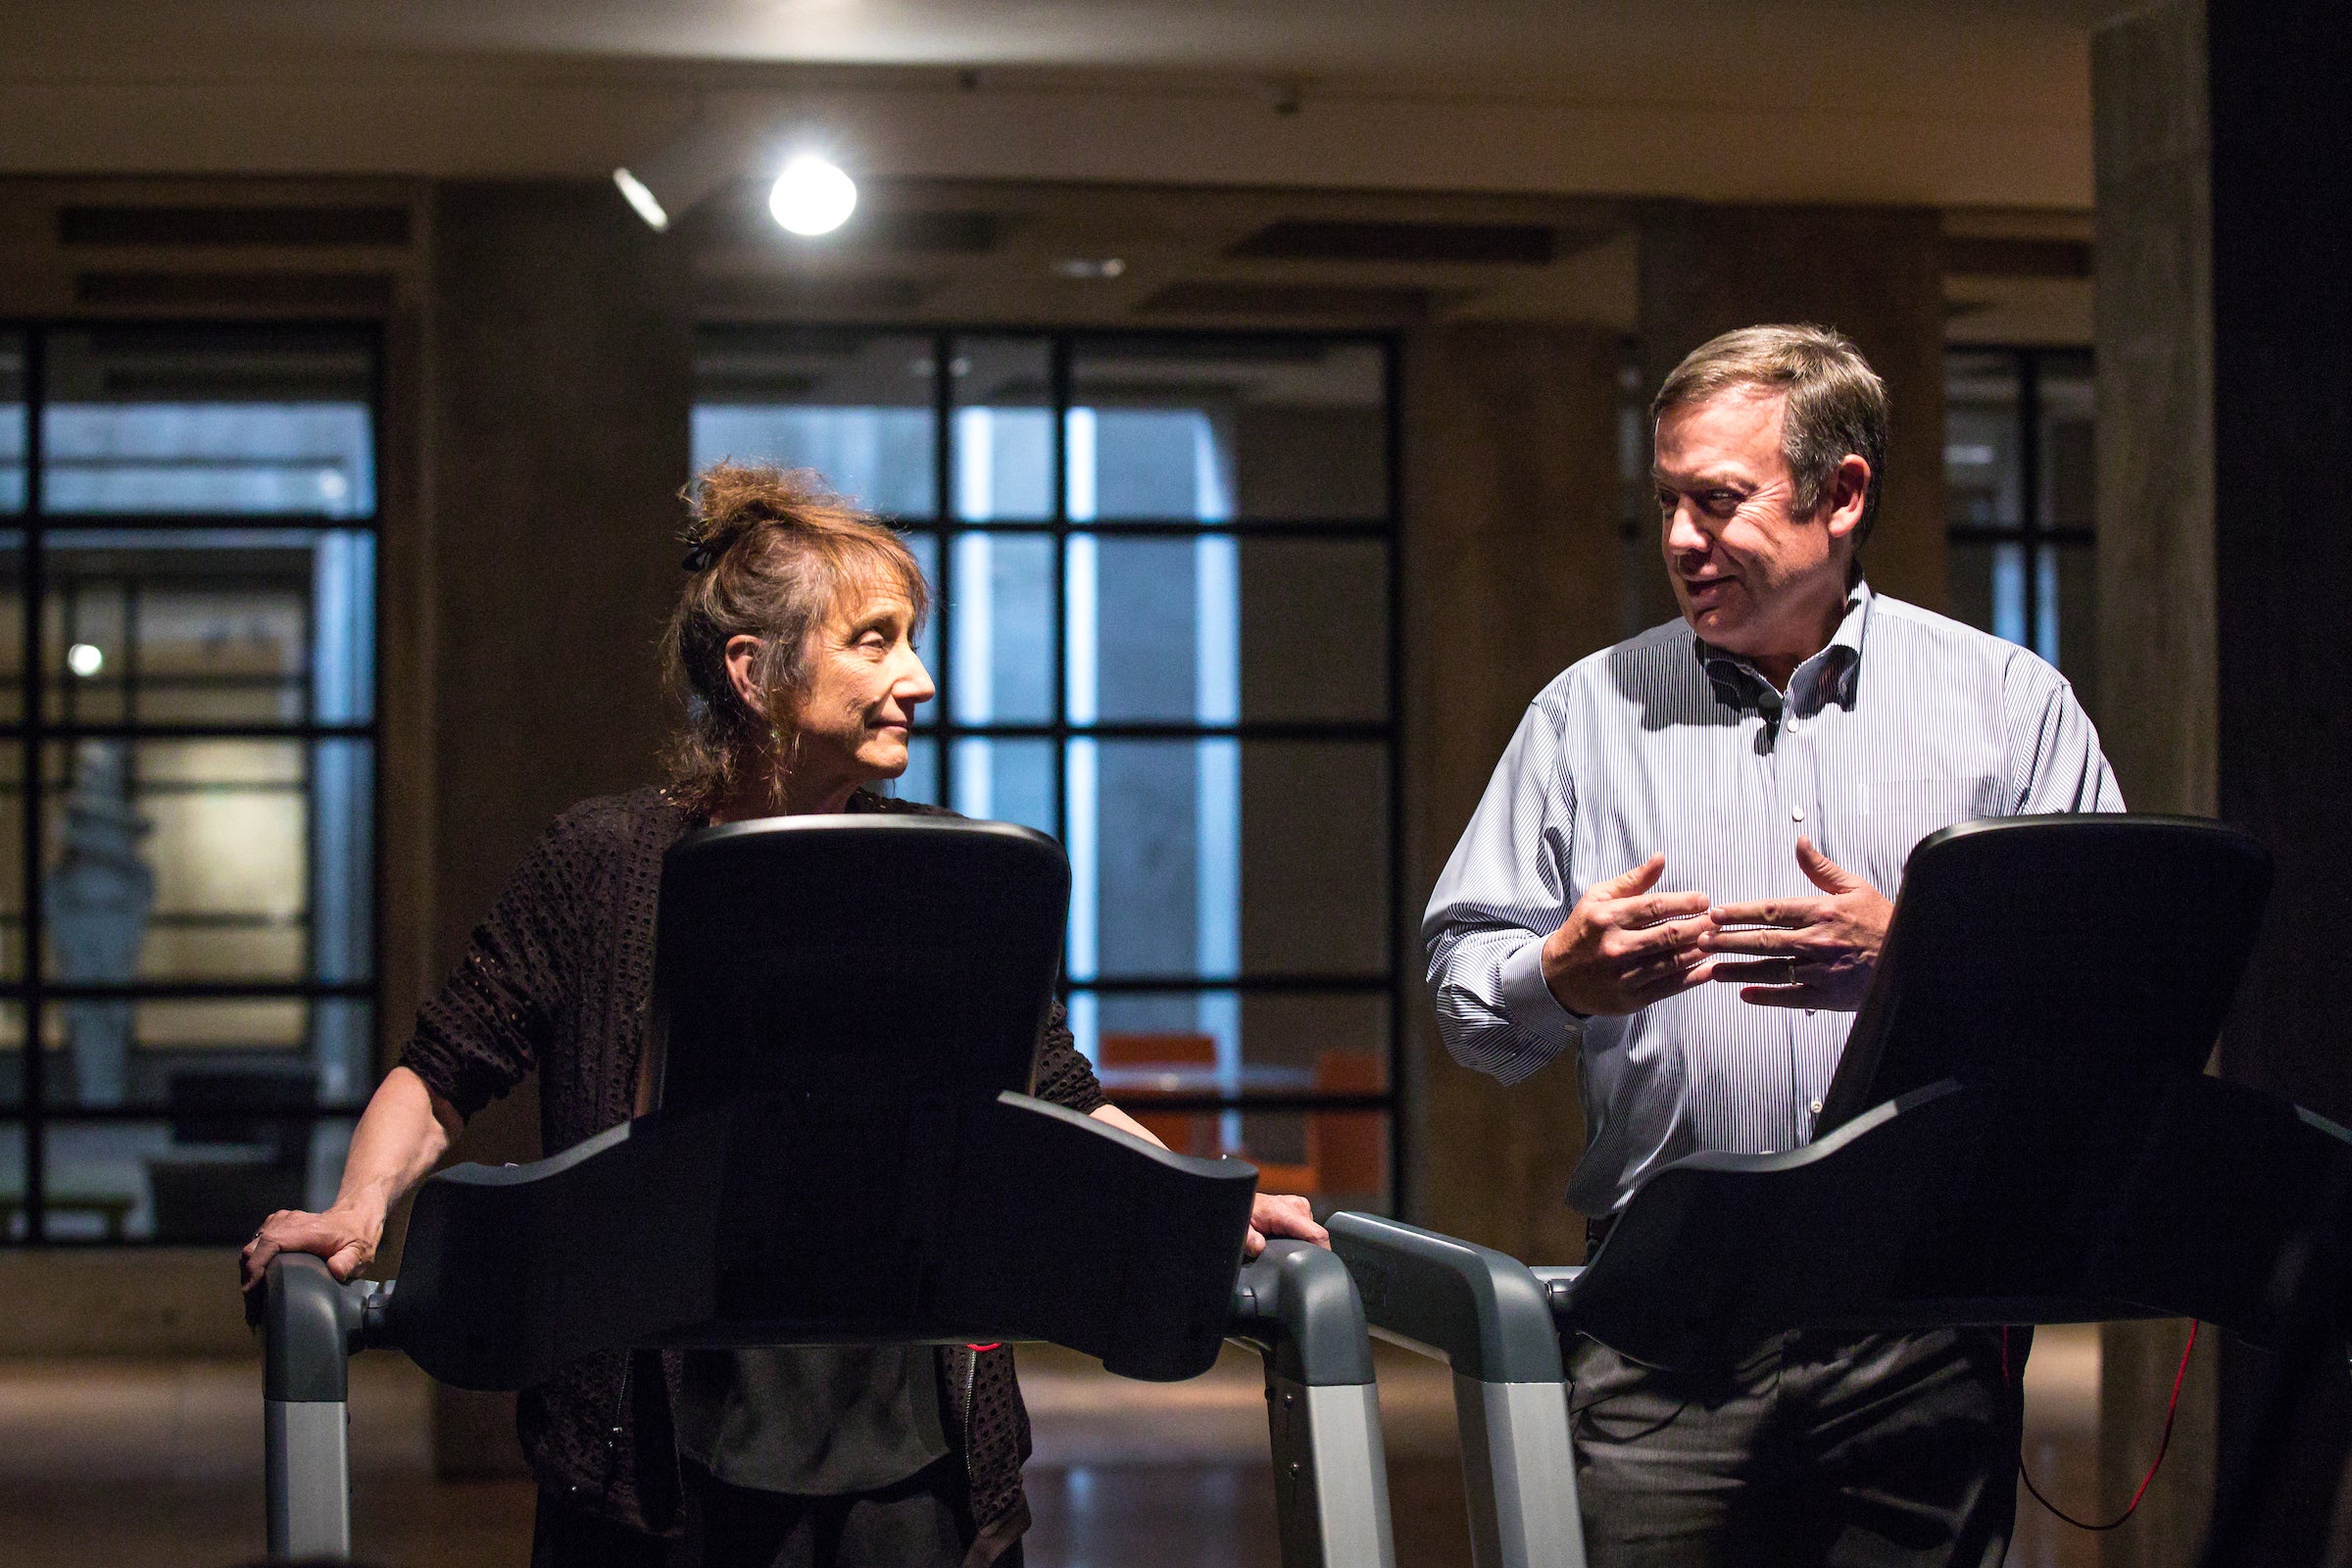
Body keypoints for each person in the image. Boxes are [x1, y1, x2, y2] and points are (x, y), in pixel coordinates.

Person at [241, 463, 1326, 1568]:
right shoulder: (601, 862)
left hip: (907, 1454)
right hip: (657, 1465)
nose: (920, 678)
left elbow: (1054, 1086)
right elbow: (444, 1067)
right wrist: (356, 1212)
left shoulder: (945, 872)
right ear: (753, 672)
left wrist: (1203, 1212)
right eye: (876, 640)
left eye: (912, 638)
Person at [1424, 325, 2122, 1567]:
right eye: (1667, 502)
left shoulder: (2011, 708)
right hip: (1663, 1324)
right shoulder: (1584, 716)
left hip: (1925, 1323)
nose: (1683, 539)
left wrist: (1921, 963)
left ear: (1843, 494)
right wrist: (1559, 978)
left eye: (1718, 500)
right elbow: (1467, 1000)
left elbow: (2117, 1001)